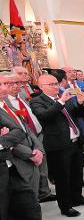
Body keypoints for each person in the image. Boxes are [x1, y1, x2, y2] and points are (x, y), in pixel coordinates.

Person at [0, 108, 77, 220]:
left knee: (30, 211)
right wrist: (4, 141)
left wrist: (4, 140)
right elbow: (10, 138)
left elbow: (19, 131)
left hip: (12, 171)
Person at [31, 74, 84, 217]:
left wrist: (80, 103)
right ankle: (66, 207)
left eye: (56, 83)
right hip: (58, 146)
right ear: (41, 87)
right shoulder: (37, 101)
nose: (56, 86)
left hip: (74, 141)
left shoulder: (63, 97)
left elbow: (77, 114)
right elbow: (45, 116)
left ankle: (77, 198)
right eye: (52, 84)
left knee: (77, 173)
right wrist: (60, 101)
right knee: (63, 178)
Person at [5, 68, 55, 203]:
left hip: (37, 135)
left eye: (18, 83)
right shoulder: (6, 104)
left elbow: (29, 121)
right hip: (21, 145)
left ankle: (44, 192)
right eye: (11, 84)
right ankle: (33, 199)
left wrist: (37, 142)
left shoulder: (24, 98)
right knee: (29, 174)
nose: (17, 86)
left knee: (43, 166)